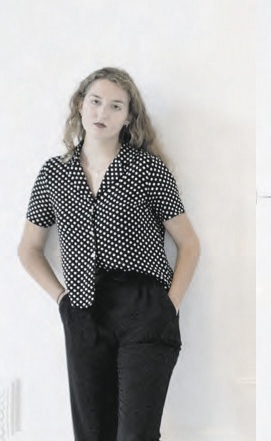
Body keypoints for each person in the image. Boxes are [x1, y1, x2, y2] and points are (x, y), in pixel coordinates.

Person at [17, 67, 200, 440]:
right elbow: (29, 249)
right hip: (83, 312)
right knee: (92, 433)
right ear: (80, 106)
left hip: (143, 309)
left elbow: (189, 244)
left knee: (136, 434)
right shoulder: (54, 174)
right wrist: (63, 300)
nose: (103, 112)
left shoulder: (147, 169)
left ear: (129, 117)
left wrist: (169, 306)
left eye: (116, 106)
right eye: (96, 101)